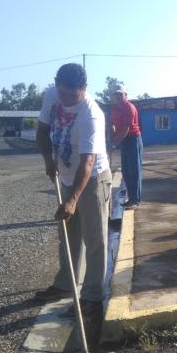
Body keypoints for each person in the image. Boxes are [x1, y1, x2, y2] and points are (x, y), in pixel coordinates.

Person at [34, 63, 112, 317]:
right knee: (67, 235)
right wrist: (48, 159)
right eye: (62, 94)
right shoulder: (51, 95)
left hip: (92, 179)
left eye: (72, 95)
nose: (65, 101)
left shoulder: (91, 115)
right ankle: (66, 284)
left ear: (84, 89)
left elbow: (88, 161)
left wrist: (73, 200)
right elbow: (43, 130)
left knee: (94, 239)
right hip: (66, 176)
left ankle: (92, 296)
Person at [110, 84, 143, 208]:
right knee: (126, 170)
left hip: (133, 139)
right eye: (115, 94)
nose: (117, 96)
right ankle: (131, 197)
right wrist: (110, 139)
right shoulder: (114, 108)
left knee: (134, 171)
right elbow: (112, 125)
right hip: (123, 140)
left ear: (125, 95)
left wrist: (113, 145)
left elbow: (125, 128)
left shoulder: (129, 107)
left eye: (120, 94)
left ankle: (135, 200)